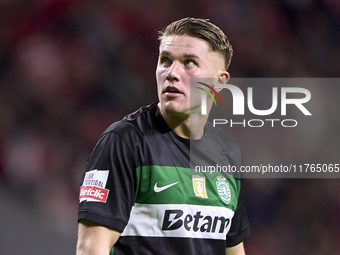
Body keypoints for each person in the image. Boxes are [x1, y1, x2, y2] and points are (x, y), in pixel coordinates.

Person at [76, 17, 250, 255]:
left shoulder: (227, 152)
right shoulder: (125, 142)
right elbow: (91, 249)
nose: (171, 73)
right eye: (165, 60)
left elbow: (232, 249)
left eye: (189, 63)